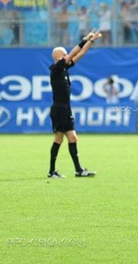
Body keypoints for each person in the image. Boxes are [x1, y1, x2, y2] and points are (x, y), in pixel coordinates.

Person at [48, 31, 100, 178]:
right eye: (64, 54)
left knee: (72, 138)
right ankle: (52, 171)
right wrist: (85, 39)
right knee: (59, 139)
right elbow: (73, 53)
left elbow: (80, 54)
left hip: (66, 108)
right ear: (59, 57)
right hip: (59, 109)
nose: (67, 56)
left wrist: (91, 41)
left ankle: (79, 170)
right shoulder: (56, 68)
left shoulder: (64, 68)